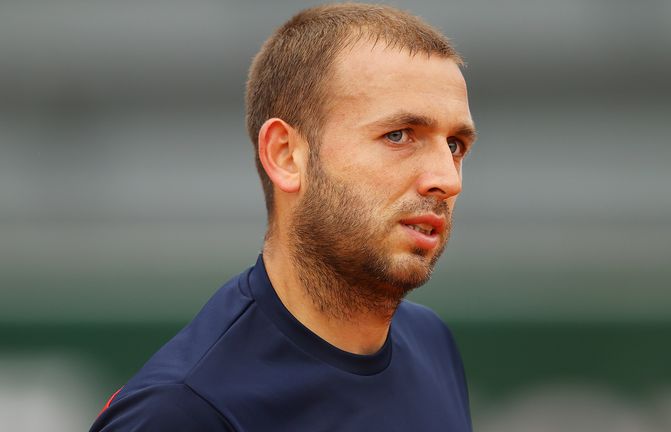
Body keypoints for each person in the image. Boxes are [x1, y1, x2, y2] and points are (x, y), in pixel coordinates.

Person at [90, 3, 476, 431]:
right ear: (286, 155)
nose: (446, 178)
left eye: (455, 145)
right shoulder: (182, 410)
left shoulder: (431, 344)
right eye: (399, 136)